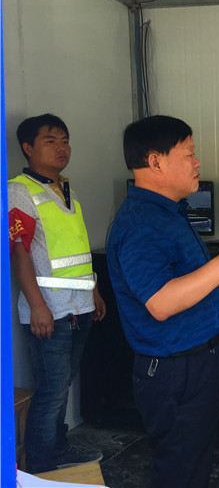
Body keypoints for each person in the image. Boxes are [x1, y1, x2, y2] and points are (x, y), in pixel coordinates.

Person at [106, 115, 219, 488]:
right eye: (189, 153)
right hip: (175, 371)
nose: (197, 162)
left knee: (193, 463)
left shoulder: (169, 213)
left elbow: (184, 281)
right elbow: (160, 303)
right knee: (180, 470)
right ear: (156, 162)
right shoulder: (141, 224)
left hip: (196, 362)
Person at [8, 114, 106, 474]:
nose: (62, 148)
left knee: (62, 384)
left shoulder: (67, 191)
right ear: (28, 148)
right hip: (49, 310)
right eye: (50, 141)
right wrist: (37, 307)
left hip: (79, 307)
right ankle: (41, 460)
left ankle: (58, 447)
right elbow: (19, 252)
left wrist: (94, 291)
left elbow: (77, 250)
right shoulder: (18, 190)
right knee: (51, 389)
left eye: (65, 140)